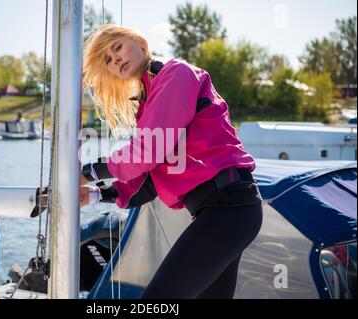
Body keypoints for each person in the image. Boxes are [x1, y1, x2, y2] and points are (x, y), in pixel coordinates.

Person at [79, 24, 263, 299]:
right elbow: (147, 183)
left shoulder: (176, 75)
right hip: (225, 212)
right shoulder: (150, 100)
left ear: (139, 41)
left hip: (229, 207)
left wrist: (88, 172)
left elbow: (147, 151)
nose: (115, 59)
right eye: (107, 60)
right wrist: (93, 194)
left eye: (117, 47)